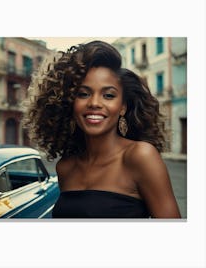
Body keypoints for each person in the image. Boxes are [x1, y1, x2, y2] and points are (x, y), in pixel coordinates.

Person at [23, 40, 181, 218]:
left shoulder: (140, 156)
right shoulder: (66, 167)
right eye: (83, 94)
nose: (95, 103)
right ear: (70, 103)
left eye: (108, 95)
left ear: (122, 107)